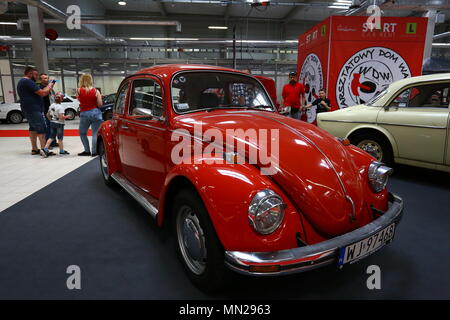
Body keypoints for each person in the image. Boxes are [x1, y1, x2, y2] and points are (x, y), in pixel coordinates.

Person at [16, 67, 55, 155]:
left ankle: (34, 149)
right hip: (33, 109)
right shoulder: (27, 81)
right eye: (36, 75)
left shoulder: (22, 82)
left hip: (28, 108)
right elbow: (43, 93)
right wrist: (50, 86)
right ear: (30, 74)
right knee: (41, 129)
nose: (37, 77)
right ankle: (44, 150)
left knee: (33, 128)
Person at [77, 73, 103, 156]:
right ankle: (95, 152)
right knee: (95, 133)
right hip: (96, 113)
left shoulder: (78, 90)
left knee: (82, 133)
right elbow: (100, 104)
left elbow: (80, 101)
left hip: (84, 113)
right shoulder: (96, 91)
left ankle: (87, 151)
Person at [41, 92, 70, 157]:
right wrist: (67, 116)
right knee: (60, 138)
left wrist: (51, 120)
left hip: (52, 123)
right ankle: (61, 151)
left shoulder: (51, 105)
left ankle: (45, 149)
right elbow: (61, 117)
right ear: (61, 99)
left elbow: (47, 114)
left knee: (51, 137)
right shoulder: (60, 107)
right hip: (59, 124)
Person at [39, 73, 57, 148]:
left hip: (53, 109)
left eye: (47, 78)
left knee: (54, 126)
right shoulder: (41, 87)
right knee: (48, 127)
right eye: (44, 78)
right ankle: (48, 143)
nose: (46, 79)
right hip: (46, 110)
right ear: (41, 80)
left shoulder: (50, 88)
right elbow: (44, 94)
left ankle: (53, 142)